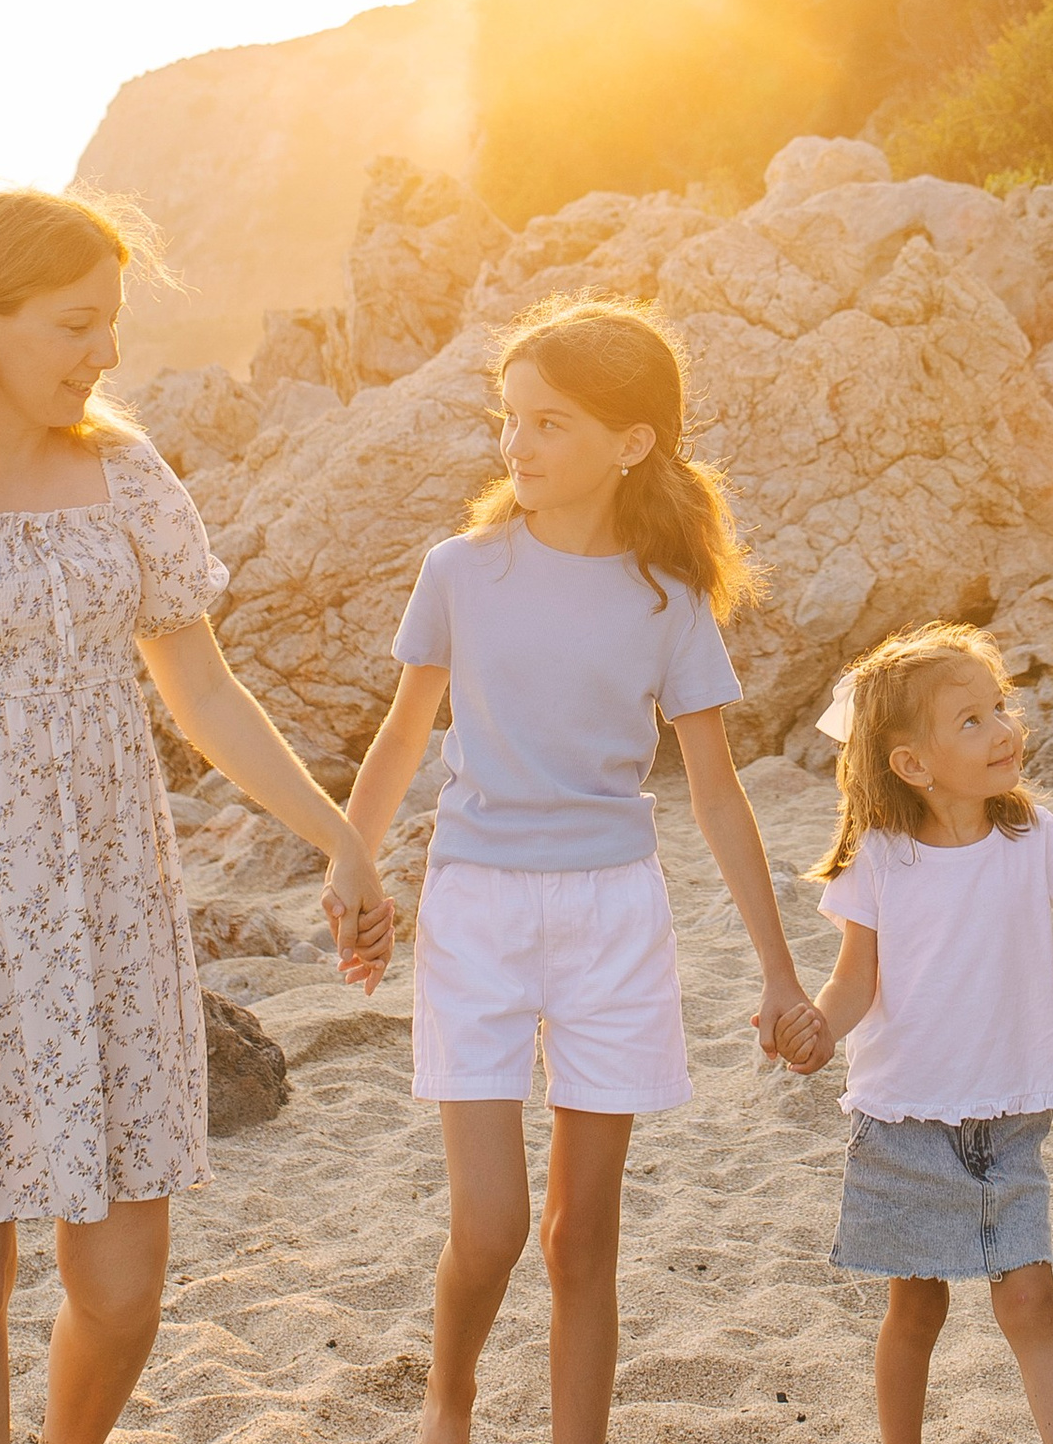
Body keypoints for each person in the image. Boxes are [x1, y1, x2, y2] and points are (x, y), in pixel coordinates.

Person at [0, 188, 391, 1444]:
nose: (105, 354)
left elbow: (200, 687)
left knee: (122, 1289)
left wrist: (338, 833)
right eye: (76, 323)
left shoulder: (126, 475)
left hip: (109, 906)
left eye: (113, 325)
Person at [339, 294, 822, 1444]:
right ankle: (448, 1402)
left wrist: (777, 971)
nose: (518, 444)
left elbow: (712, 788)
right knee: (495, 1224)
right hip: (476, 910)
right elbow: (405, 735)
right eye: (510, 418)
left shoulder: (668, 595)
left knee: (582, 1234)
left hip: (614, 915)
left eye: (549, 422)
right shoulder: (461, 569)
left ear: (631, 441)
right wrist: (351, 864)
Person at [778, 622, 1053, 1444]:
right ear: (913, 765)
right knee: (917, 1304)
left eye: (999, 706)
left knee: (1030, 1298)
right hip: (903, 1119)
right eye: (971, 720)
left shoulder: (1029, 835)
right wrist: (821, 1028)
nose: (1004, 728)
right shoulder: (881, 858)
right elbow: (856, 979)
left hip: (1009, 1115)